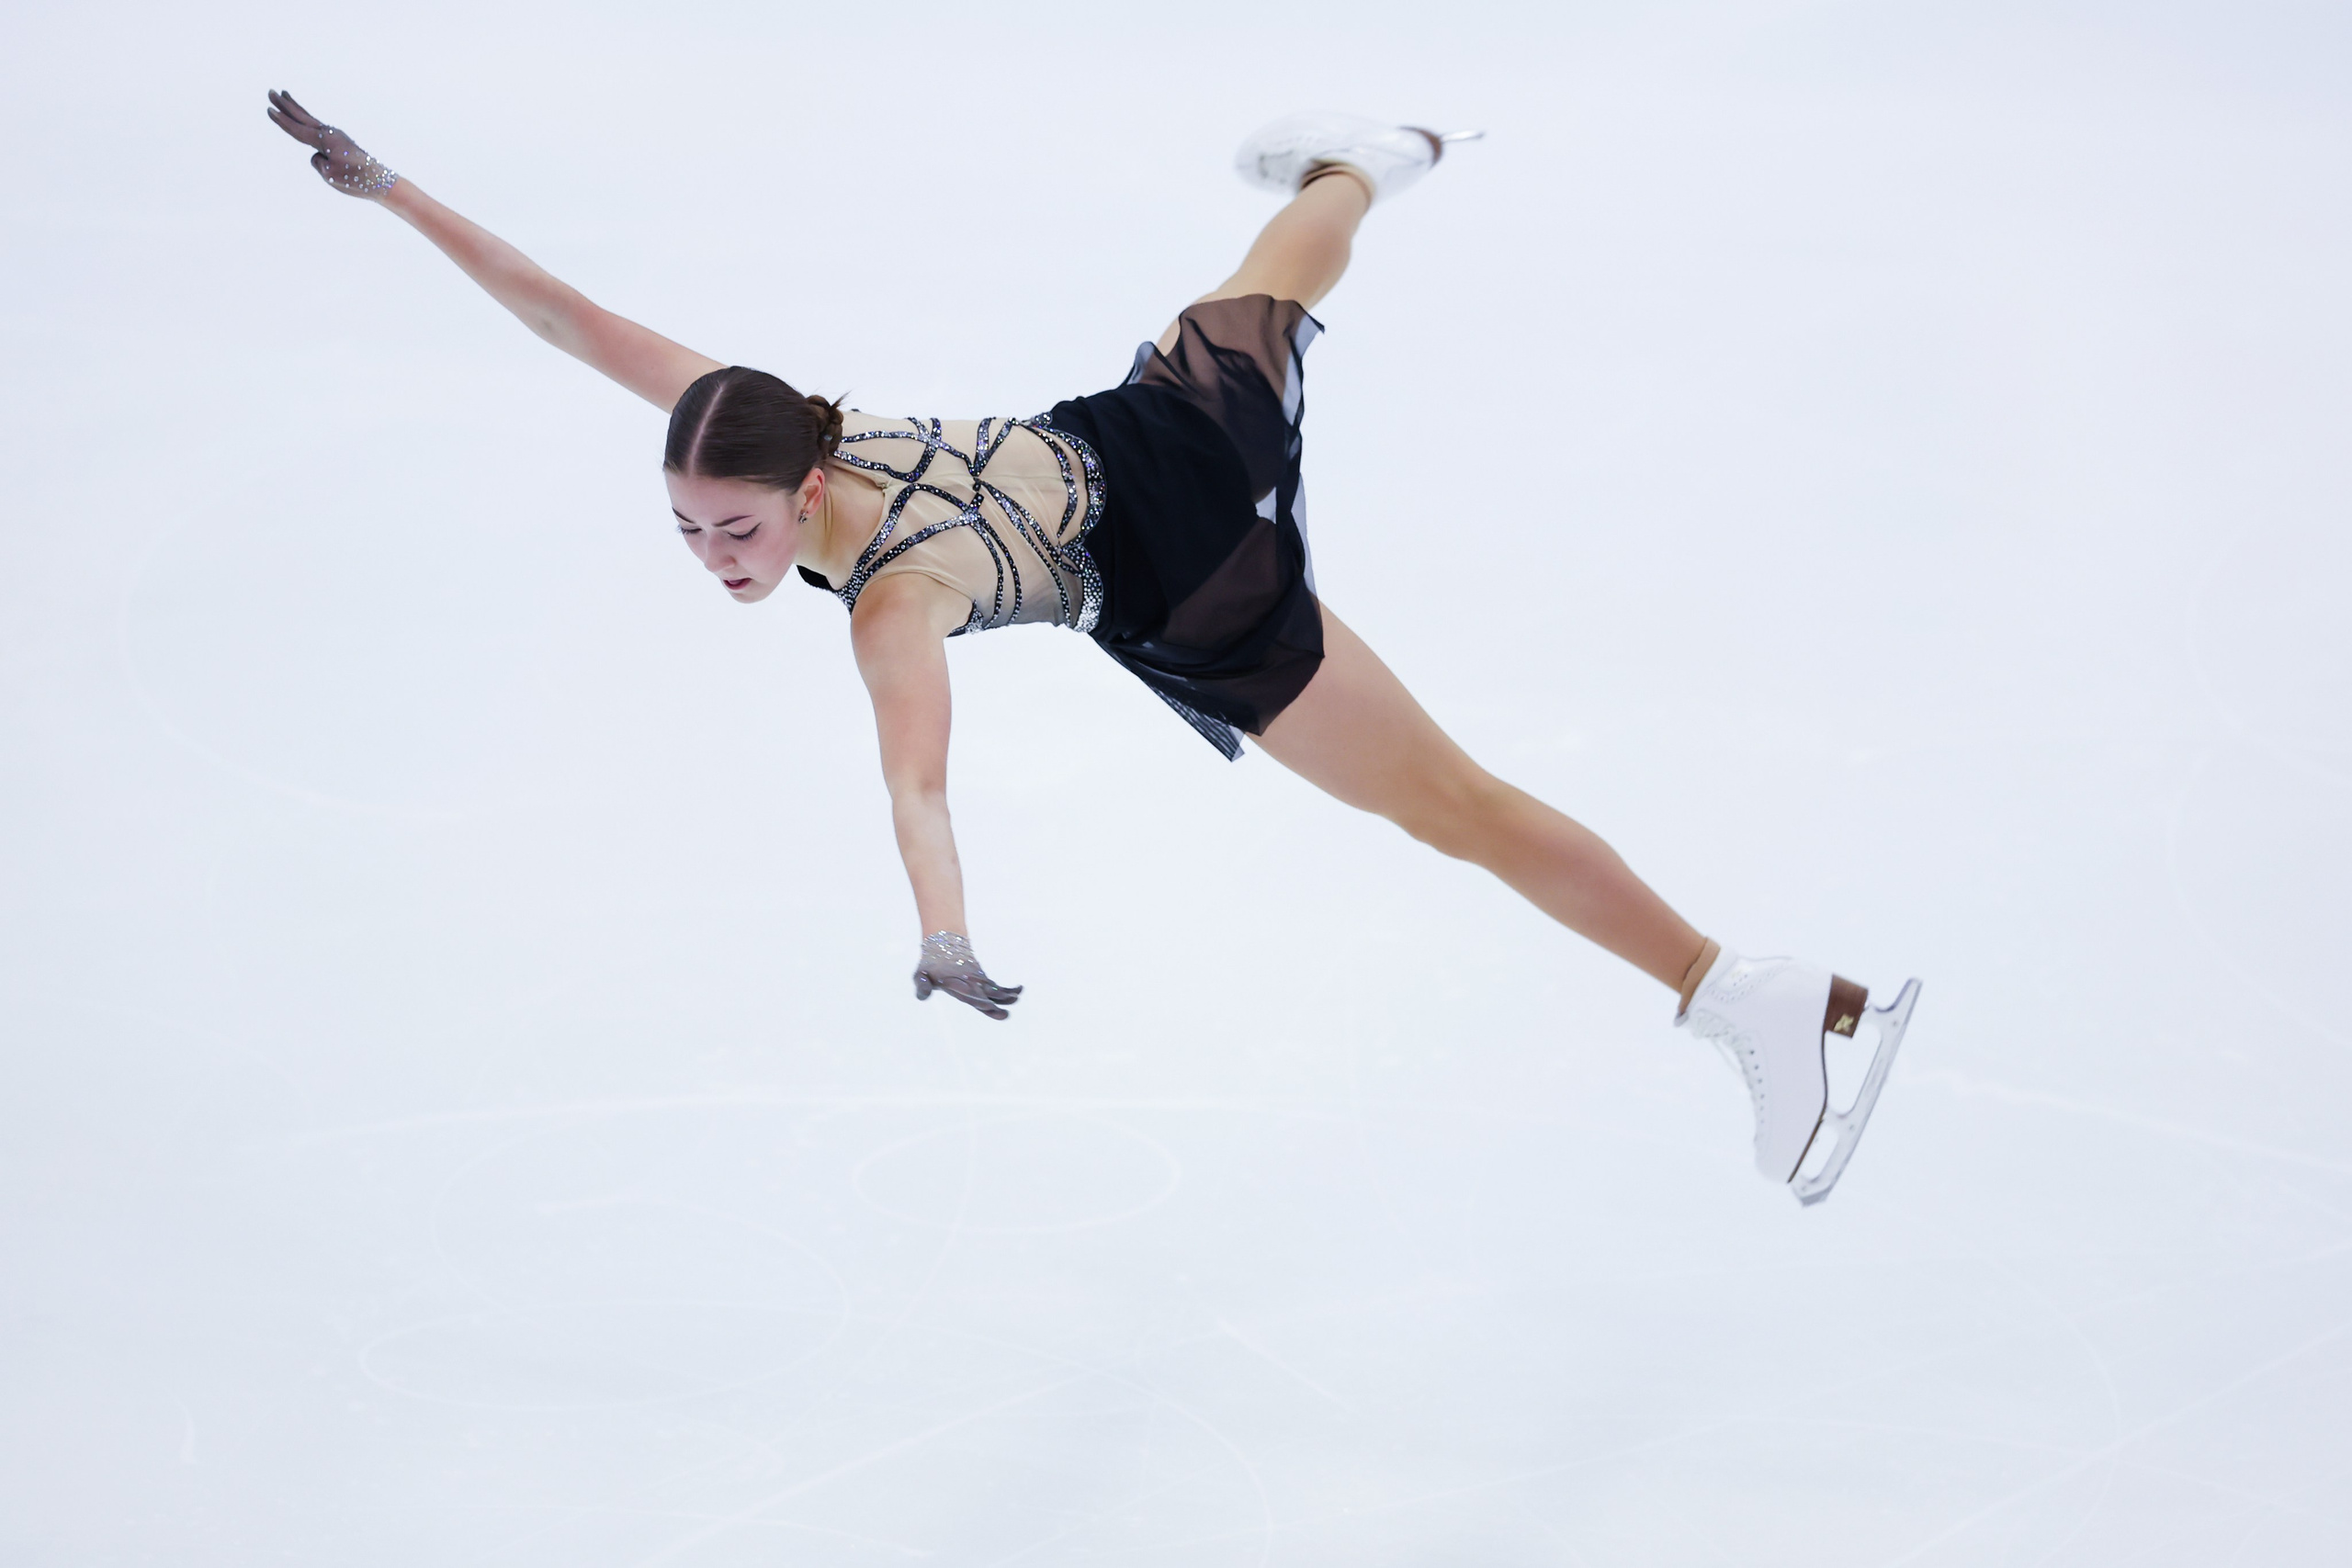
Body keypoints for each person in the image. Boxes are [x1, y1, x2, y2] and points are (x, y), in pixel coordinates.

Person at [265, 93, 1919, 1203]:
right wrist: (396, 191)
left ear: (809, 487)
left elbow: (917, 779)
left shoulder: (896, 597)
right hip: (1146, 431)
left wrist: (944, 935)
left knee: (1453, 809)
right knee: (1266, 282)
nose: (718, 557)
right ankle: (1370, 157)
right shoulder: (763, 420)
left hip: (1189, 578)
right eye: (693, 530)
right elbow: (572, 318)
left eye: (740, 531)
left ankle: (1747, 998)